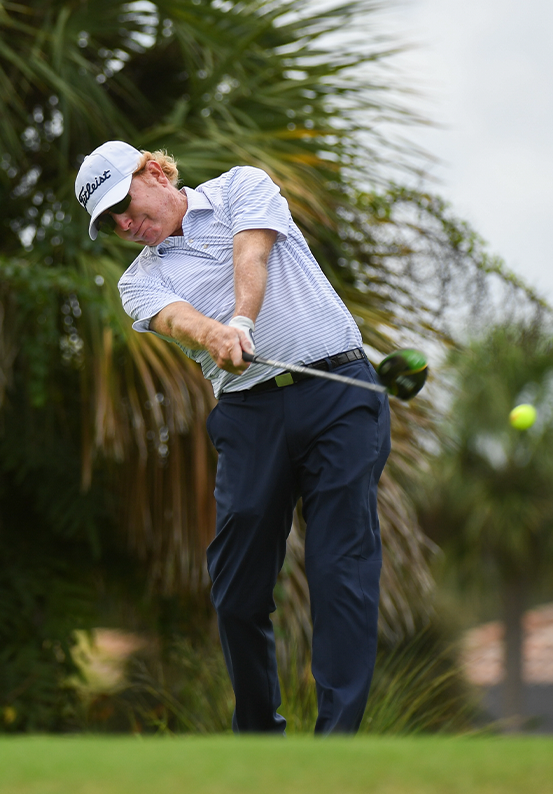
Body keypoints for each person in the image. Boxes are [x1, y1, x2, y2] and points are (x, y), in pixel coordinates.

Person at [74, 140, 391, 734]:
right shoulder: (137, 283)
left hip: (339, 395)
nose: (126, 223)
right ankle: (258, 740)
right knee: (237, 590)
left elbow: (254, 253)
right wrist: (215, 335)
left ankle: (336, 744)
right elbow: (177, 319)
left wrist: (241, 319)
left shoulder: (240, 187)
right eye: (112, 221)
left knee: (337, 567)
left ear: (155, 170)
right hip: (249, 419)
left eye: (125, 203)